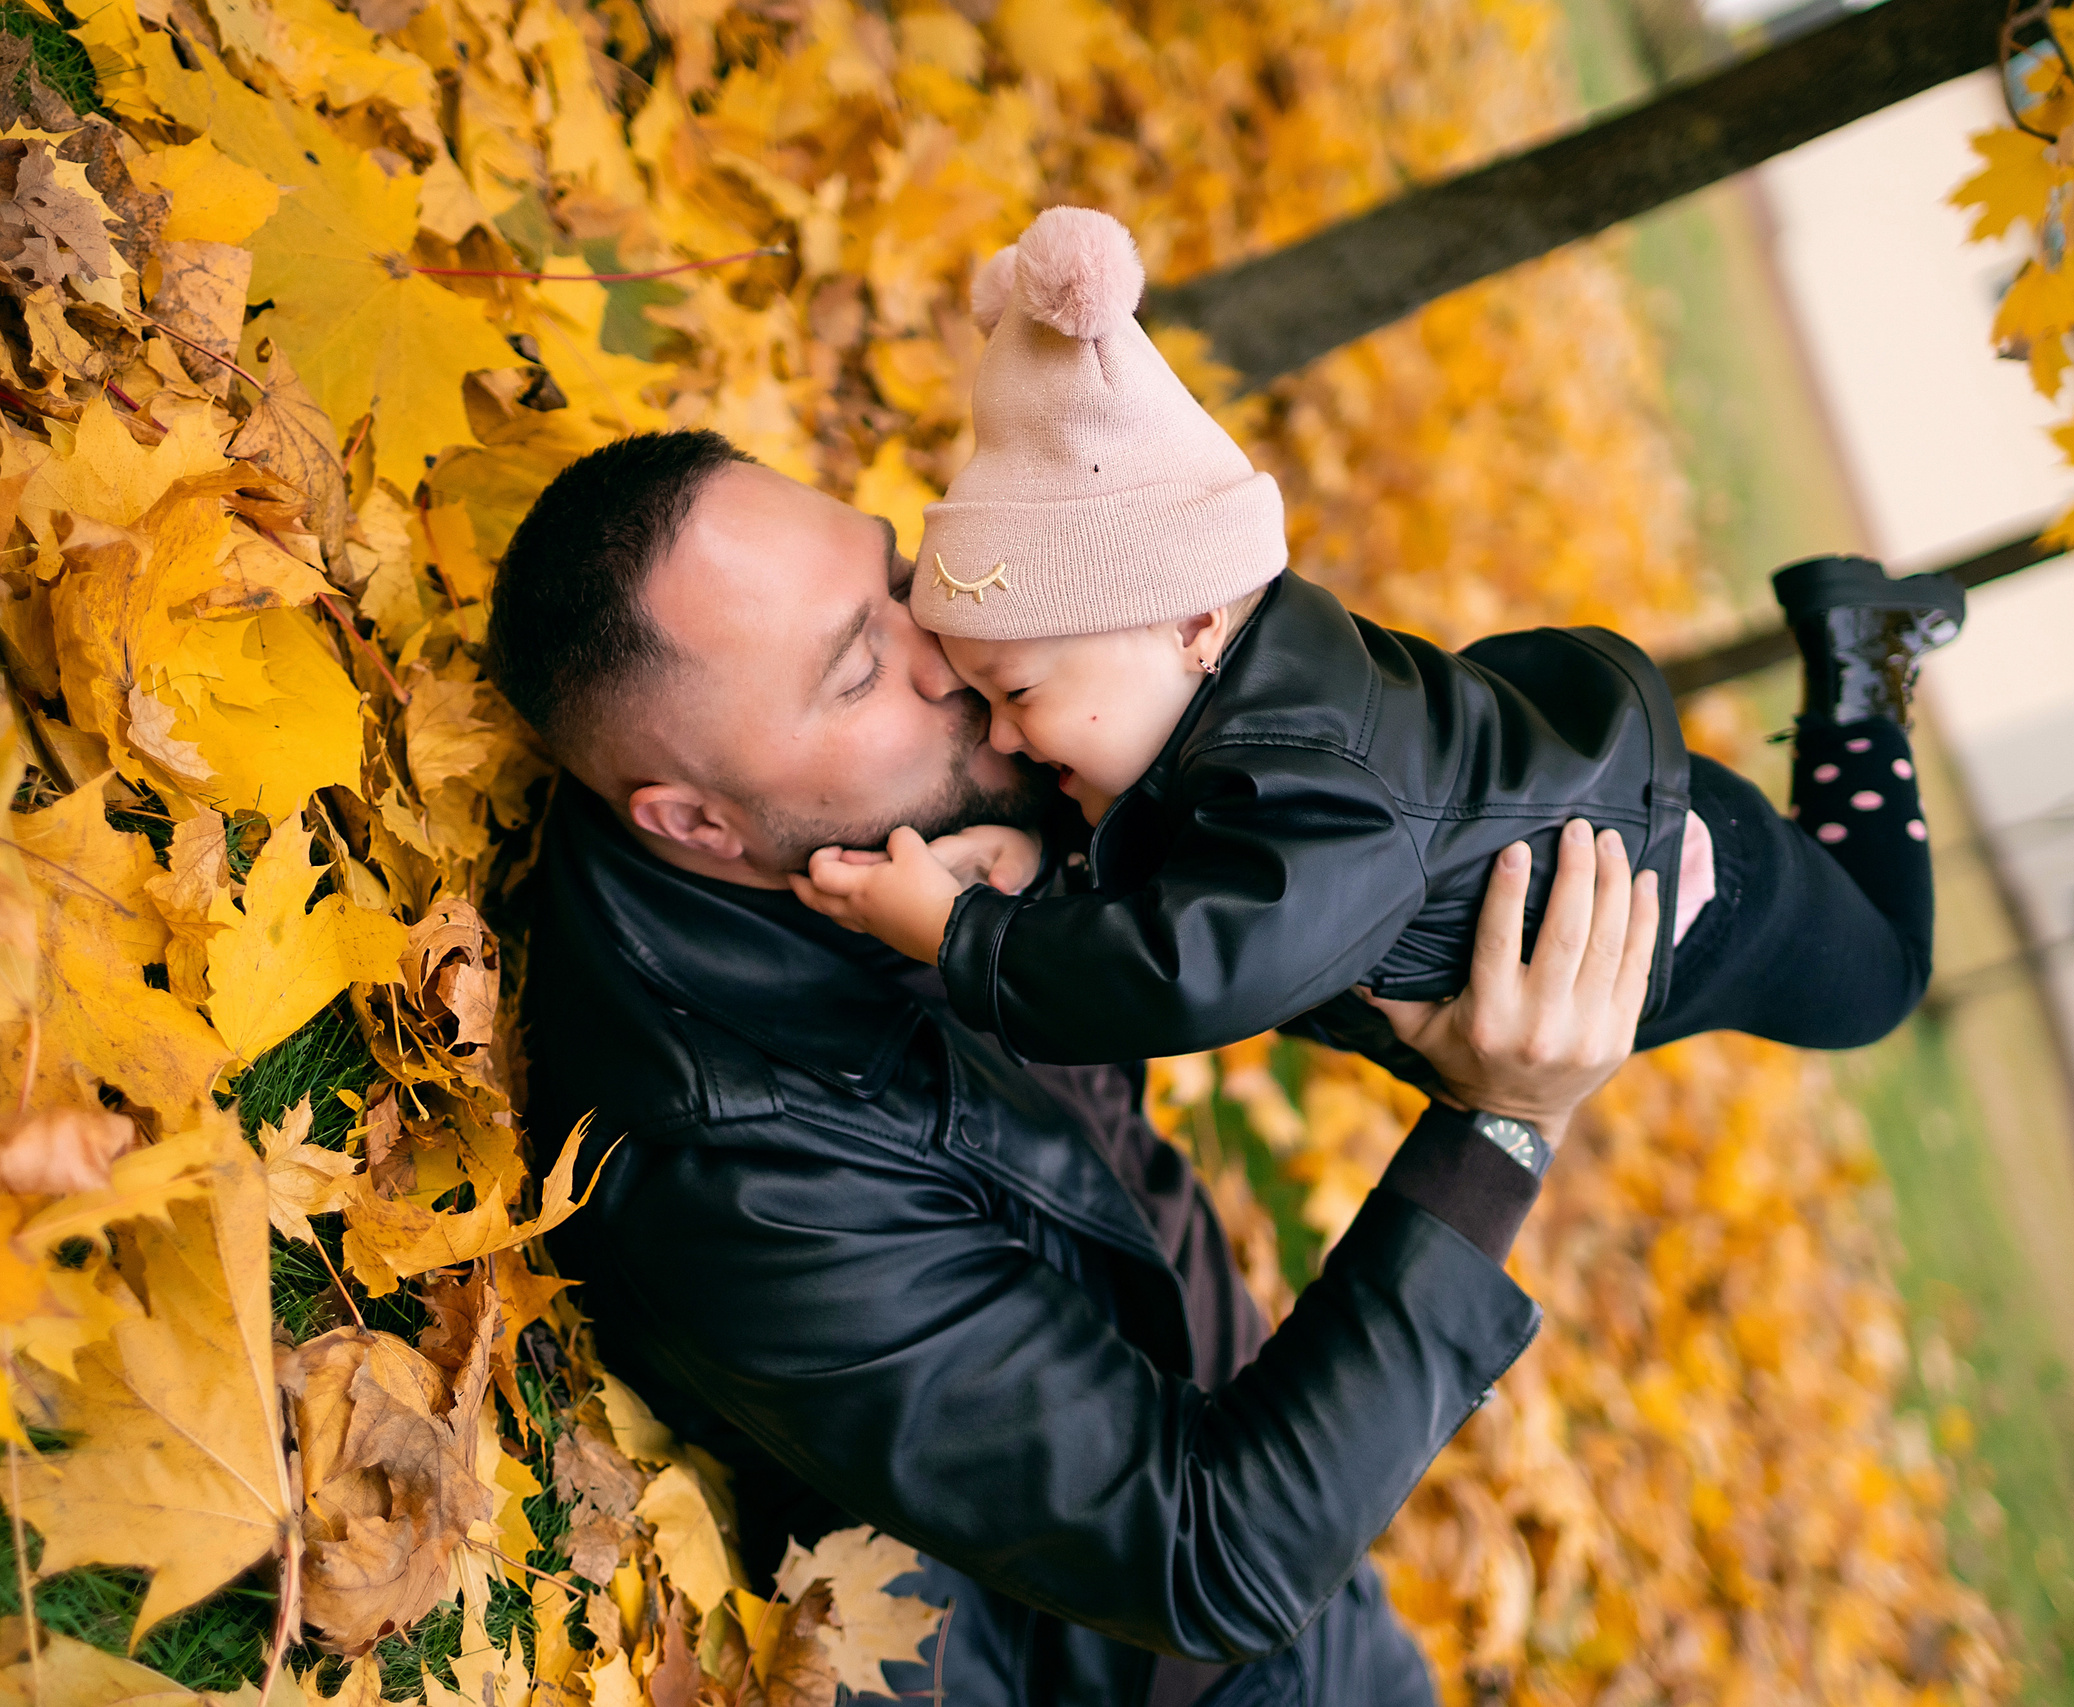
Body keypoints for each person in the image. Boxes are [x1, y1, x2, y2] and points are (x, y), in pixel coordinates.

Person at [490, 428, 1667, 1707]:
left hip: (1292, 1468)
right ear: (693, 820)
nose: (946, 645)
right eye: (857, 671)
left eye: (896, 578)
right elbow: (1217, 1562)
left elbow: (1246, 924)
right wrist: (1495, 1130)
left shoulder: (910, 829)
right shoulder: (742, 1172)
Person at [789, 208, 1961, 1085]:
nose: (997, 730)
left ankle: (1860, 681)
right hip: (1602, 813)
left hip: (1709, 901)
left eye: (1019, 691)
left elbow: (1193, 968)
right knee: (1867, 929)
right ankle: (1862, 661)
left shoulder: (1316, 778)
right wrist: (1046, 874)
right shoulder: (1222, 703)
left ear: (1197, 622)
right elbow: (1180, 865)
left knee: (1882, 983)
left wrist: (963, 938)